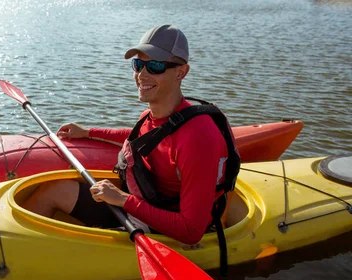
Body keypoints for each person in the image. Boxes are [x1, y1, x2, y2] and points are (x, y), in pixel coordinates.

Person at [23, 25, 240, 267]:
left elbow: (191, 231)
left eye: (155, 66)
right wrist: (89, 132)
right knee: (55, 190)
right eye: (138, 65)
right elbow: (142, 137)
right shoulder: (153, 116)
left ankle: (26, 265)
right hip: (143, 204)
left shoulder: (197, 137)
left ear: (181, 72)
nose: (142, 75)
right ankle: (16, 250)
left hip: (169, 226)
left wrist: (123, 200)